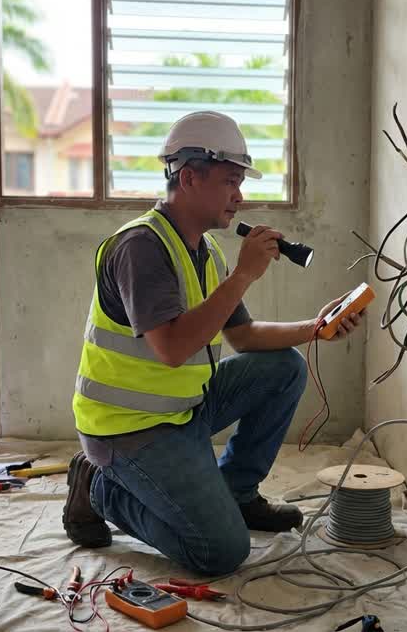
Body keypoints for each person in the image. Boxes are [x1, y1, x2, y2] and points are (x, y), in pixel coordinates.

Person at [62, 111, 364, 576]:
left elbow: (241, 337)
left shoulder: (206, 251)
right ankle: (100, 488)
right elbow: (173, 348)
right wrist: (245, 275)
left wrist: (315, 327)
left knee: (286, 367)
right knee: (221, 552)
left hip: (184, 408)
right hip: (130, 430)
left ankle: (238, 493)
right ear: (188, 177)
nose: (239, 198)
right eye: (230, 181)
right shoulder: (141, 248)